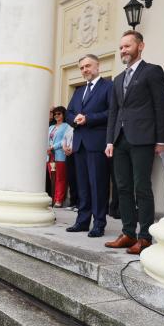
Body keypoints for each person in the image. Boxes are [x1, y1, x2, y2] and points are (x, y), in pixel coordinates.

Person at [105, 30, 164, 254]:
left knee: (141, 187)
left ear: (140, 46)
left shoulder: (152, 72)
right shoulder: (117, 79)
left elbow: (162, 106)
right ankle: (128, 233)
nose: (123, 50)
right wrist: (109, 141)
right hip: (120, 140)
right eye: (121, 47)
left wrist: (163, 139)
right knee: (122, 188)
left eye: (127, 46)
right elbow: (113, 113)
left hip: (143, 138)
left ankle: (144, 237)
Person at [65, 54, 112, 237]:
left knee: (98, 185)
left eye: (88, 66)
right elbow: (69, 112)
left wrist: (89, 118)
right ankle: (82, 221)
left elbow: (111, 112)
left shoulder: (108, 86)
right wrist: (74, 119)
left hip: (97, 144)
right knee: (83, 186)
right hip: (80, 145)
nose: (85, 70)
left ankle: (99, 224)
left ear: (98, 66)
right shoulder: (78, 92)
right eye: (82, 67)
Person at [46, 106, 69, 208]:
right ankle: (53, 199)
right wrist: (47, 148)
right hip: (50, 156)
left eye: (59, 114)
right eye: (55, 114)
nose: (56, 116)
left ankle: (59, 200)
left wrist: (53, 147)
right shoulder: (51, 127)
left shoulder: (66, 126)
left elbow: (64, 140)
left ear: (63, 115)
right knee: (52, 178)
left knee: (60, 178)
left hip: (60, 155)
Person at [62, 124, 78, 211]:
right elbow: (64, 138)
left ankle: (79, 203)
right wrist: (64, 148)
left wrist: (72, 148)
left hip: (77, 153)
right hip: (68, 154)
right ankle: (73, 202)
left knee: (79, 179)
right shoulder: (69, 127)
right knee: (71, 178)